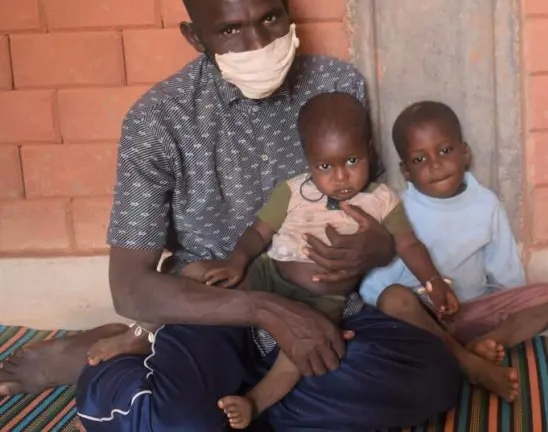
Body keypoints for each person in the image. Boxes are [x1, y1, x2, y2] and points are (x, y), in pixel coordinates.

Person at [0, 0, 461, 431]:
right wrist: (265, 309)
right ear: (196, 38)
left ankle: (218, 394)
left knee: (434, 378)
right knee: (182, 425)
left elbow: (372, 204)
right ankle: (112, 372)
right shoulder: (158, 120)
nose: (258, 43)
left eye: (268, 19)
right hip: (209, 311)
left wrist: (376, 247)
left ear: (286, 10)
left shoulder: (335, 86)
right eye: (230, 30)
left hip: (320, 304)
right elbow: (131, 285)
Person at [83, 92, 461, 429]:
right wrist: (234, 262)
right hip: (263, 278)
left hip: (322, 303)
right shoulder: (293, 190)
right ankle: (144, 333)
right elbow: (259, 233)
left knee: (313, 356)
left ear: (369, 151)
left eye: (352, 160)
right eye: (325, 167)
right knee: (199, 274)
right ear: (309, 162)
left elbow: (408, 245)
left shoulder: (380, 198)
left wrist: (433, 282)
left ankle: (252, 402)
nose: (341, 176)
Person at [360, 101, 548, 403]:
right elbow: (378, 286)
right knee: (393, 299)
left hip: (474, 313)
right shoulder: (398, 211)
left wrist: (516, 309)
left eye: (445, 151)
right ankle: (469, 363)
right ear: (406, 170)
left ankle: (485, 345)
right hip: (424, 318)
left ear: (465, 152)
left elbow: (505, 270)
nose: (435, 164)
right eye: (420, 159)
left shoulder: (486, 204)